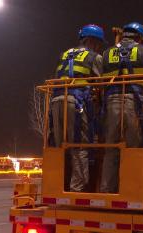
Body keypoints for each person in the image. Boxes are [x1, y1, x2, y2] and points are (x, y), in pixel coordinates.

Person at [100, 22, 143, 193]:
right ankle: (132, 191)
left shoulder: (107, 53)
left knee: (110, 148)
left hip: (111, 103)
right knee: (134, 149)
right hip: (134, 103)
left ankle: (106, 190)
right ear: (140, 37)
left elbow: (101, 79)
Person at [51, 24, 104, 192]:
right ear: (91, 41)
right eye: (98, 44)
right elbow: (103, 83)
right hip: (76, 103)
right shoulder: (93, 57)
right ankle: (77, 189)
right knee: (80, 145)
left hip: (56, 101)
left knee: (60, 146)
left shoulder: (64, 54)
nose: (98, 47)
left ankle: (58, 185)